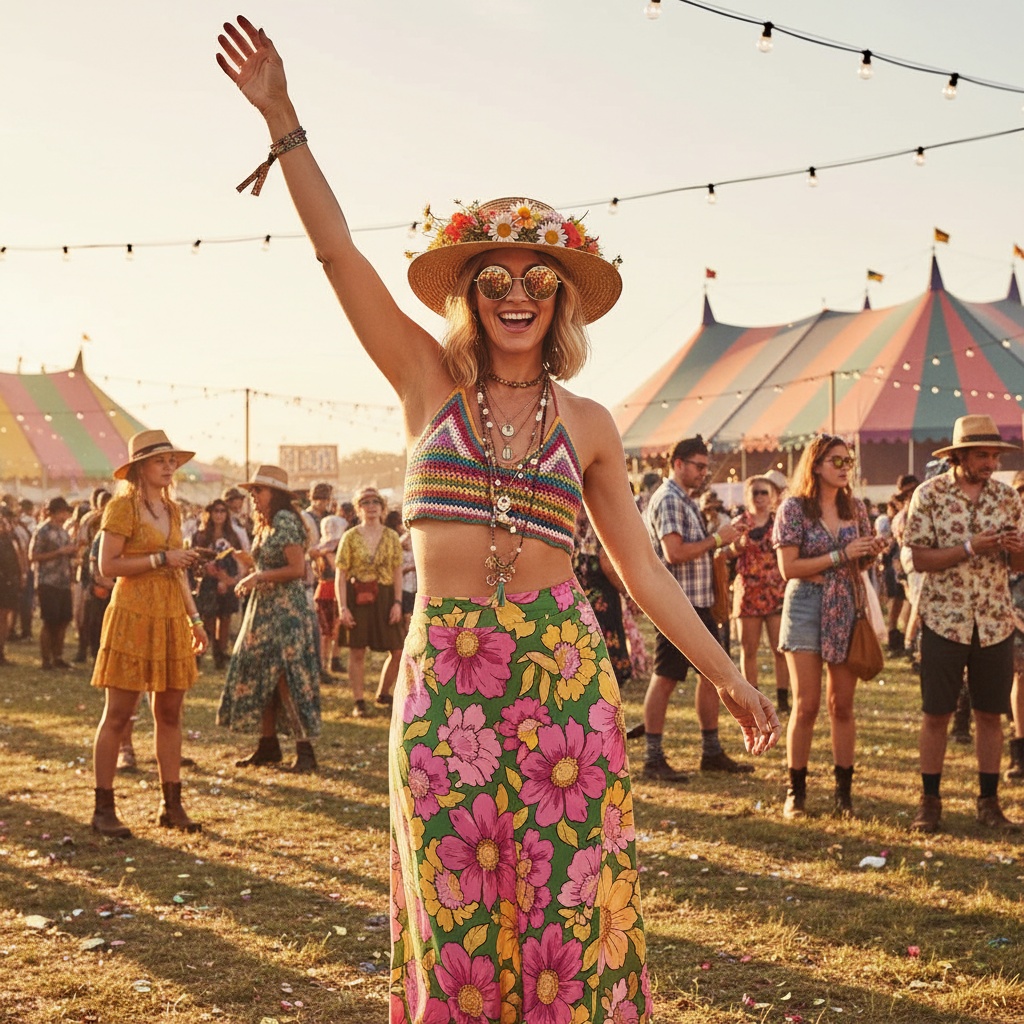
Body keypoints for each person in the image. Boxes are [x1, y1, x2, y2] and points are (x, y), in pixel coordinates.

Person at [217, 18, 778, 1020]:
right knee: (456, 912)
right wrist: (284, 120)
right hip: (445, 683)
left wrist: (730, 677)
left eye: (537, 281)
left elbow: (643, 573)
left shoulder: (593, 425)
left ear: (560, 300)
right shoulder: (425, 380)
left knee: (568, 912)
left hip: (565, 681)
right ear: (471, 295)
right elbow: (339, 255)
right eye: (495, 280)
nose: (516, 294)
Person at [904, 415, 1024, 832]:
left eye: (995, 455)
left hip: (994, 621)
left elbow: (1018, 564)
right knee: (936, 714)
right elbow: (919, 558)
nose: (991, 462)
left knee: (991, 714)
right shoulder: (929, 495)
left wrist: (1016, 548)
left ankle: (989, 803)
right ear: (959, 456)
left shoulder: (1008, 498)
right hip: (944, 619)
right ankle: (930, 802)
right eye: (982, 455)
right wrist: (970, 547)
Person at [89, 430, 208, 838]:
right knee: (119, 715)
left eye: (172, 460)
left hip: (172, 615)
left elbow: (177, 571)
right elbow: (108, 566)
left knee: (170, 713)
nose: (170, 466)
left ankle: (170, 804)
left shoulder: (172, 511)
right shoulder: (122, 507)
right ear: (140, 467)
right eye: (161, 461)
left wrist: (195, 619)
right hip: (132, 614)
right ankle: (103, 807)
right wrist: (161, 556)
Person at [773, 434, 887, 819]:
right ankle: (796, 792)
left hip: (847, 604)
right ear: (816, 465)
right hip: (806, 603)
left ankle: (844, 795)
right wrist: (841, 553)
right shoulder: (793, 509)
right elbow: (788, 569)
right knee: (805, 705)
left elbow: (859, 563)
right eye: (836, 460)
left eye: (847, 460)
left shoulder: (855, 507)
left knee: (842, 705)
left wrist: (870, 553)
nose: (843, 467)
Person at [630, 436, 752, 781]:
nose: (703, 473)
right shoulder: (669, 498)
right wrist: (717, 539)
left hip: (695, 602)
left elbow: (694, 554)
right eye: (698, 466)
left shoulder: (684, 499)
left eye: (705, 467)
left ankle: (710, 751)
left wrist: (726, 544)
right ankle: (653, 757)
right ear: (678, 463)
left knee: (713, 676)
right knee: (666, 677)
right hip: (676, 603)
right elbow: (675, 553)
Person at [219, 464, 323, 772]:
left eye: (258, 491)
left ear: (274, 494)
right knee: (261, 672)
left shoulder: (286, 520)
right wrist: (247, 561)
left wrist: (258, 575)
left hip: (285, 611)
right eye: (251, 491)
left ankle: (304, 750)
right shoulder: (265, 524)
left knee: (286, 676)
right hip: (265, 610)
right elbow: (271, 561)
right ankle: (268, 745)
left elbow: (296, 570)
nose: (252, 497)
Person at [334, 487, 404, 715]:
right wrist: (342, 607)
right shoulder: (350, 537)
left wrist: (397, 602)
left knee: (397, 650)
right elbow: (341, 575)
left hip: (384, 596)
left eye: (376, 502)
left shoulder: (392, 536)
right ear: (358, 508)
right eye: (366, 502)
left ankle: (383, 692)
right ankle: (358, 701)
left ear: (382, 507)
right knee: (357, 651)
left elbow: (397, 571)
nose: (371, 506)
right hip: (358, 595)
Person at [728, 475, 789, 712]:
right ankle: (751, 697)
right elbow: (725, 553)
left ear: (772, 495)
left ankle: (782, 698)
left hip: (775, 590)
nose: (760, 498)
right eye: (756, 493)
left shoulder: (779, 522)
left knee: (779, 648)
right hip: (748, 591)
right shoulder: (739, 523)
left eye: (764, 492)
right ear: (748, 497)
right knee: (748, 648)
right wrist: (737, 546)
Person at [191, 500, 246, 669]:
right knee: (208, 618)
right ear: (210, 513)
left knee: (225, 617)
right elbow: (193, 560)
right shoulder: (200, 536)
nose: (219, 514)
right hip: (207, 582)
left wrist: (231, 580)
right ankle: (204, 651)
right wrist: (206, 570)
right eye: (216, 511)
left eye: (223, 511)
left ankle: (221, 653)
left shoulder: (232, 536)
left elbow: (240, 559)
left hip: (227, 580)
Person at [28, 496, 78, 670]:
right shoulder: (42, 530)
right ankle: (46, 659)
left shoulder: (63, 531)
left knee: (63, 619)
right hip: (47, 581)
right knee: (49, 621)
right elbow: (33, 556)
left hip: (63, 582)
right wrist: (59, 552)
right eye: (62, 511)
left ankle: (58, 656)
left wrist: (72, 552)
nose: (65, 515)